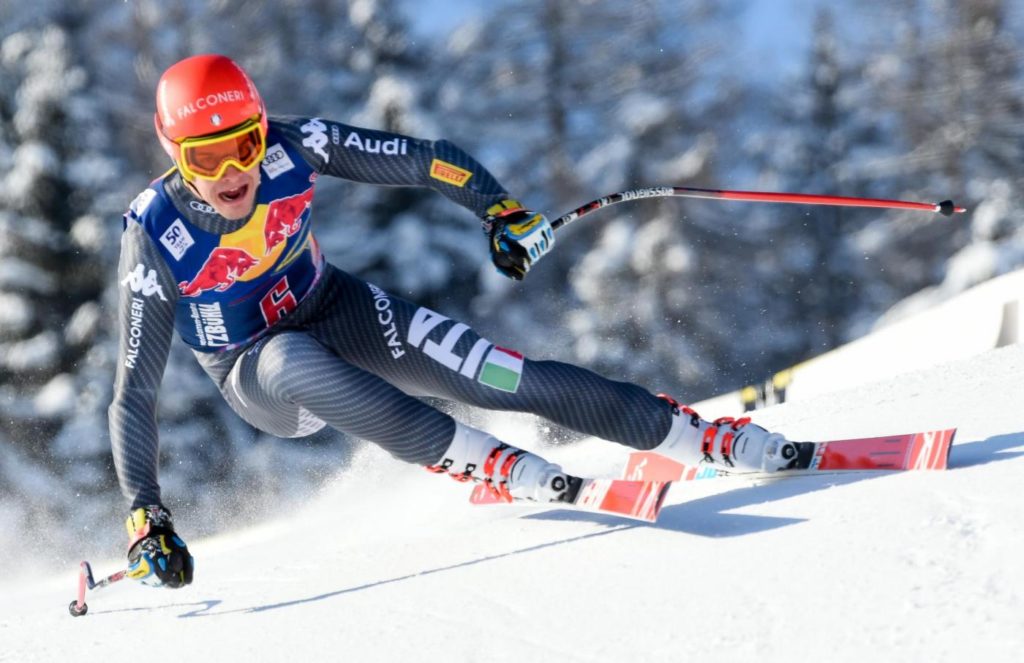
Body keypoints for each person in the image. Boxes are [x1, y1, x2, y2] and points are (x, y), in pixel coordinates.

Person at [111, 54, 796, 589]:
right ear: (176, 156)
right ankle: (478, 459)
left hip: (336, 307)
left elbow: (423, 158)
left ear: (264, 131)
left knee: (495, 371)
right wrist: (148, 515)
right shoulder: (155, 232)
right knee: (291, 356)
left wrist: (500, 210)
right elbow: (134, 391)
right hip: (260, 374)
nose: (235, 171)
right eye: (206, 156)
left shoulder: (296, 146)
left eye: (246, 144)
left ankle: (688, 433)